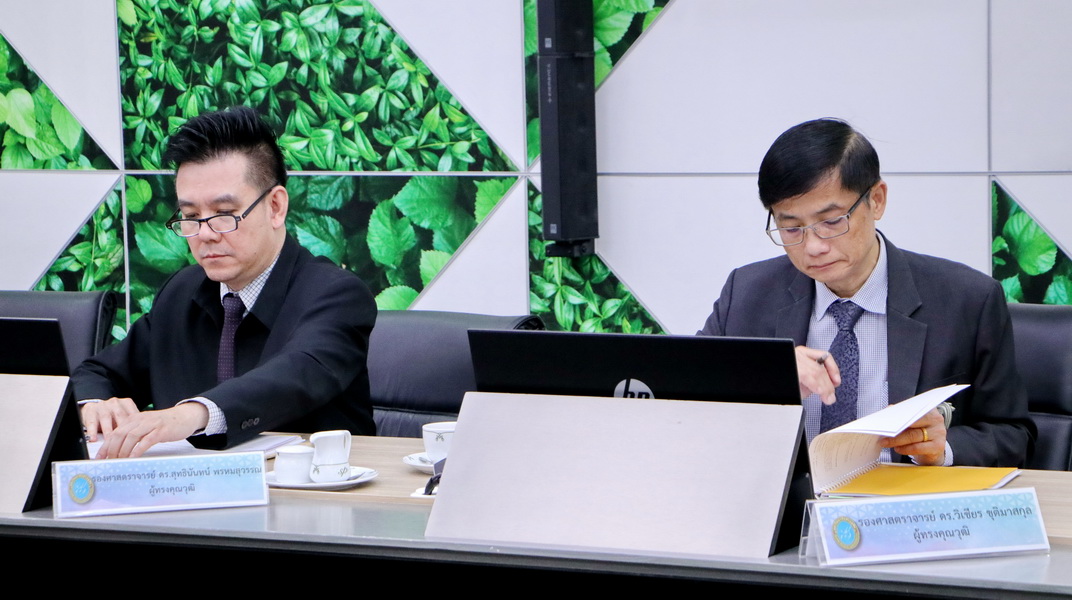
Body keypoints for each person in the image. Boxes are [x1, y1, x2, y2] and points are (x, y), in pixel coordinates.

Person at [699, 118, 1034, 467]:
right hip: (790, 498)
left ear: (876, 200)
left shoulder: (966, 300)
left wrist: (942, 448)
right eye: (791, 228)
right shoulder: (747, 294)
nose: (813, 247)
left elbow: (1013, 435)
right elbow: (684, 403)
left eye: (831, 222)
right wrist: (767, 373)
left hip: (905, 497)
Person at [73, 106, 377, 458]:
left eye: (224, 214)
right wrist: (96, 405)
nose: (205, 234)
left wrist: (192, 415)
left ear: (275, 207)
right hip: (186, 489)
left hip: (308, 487)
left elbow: (296, 374)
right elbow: (97, 372)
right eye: (191, 216)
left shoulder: (336, 295)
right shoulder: (181, 292)